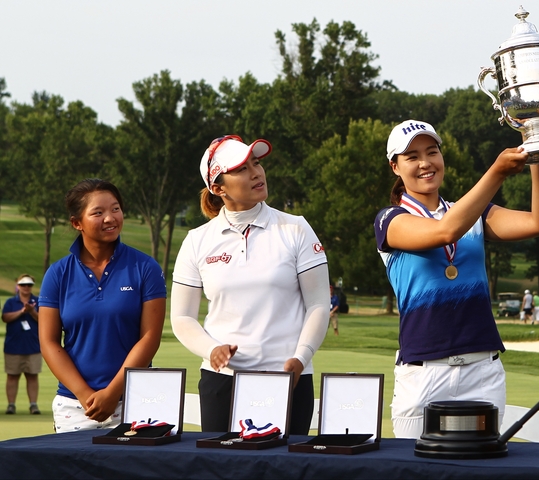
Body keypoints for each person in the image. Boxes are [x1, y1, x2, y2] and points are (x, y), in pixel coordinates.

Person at [374, 118, 539, 439]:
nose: (425, 163)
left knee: (481, 463)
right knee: (412, 464)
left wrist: (536, 155)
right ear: (395, 167)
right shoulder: (390, 219)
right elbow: (445, 231)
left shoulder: (473, 213)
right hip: (423, 373)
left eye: (432, 152)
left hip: (482, 369)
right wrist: (497, 172)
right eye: (412, 156)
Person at [170, 135, 330, 435]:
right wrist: (211, 349)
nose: (256, 173)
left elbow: (319, 304)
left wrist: (301, 358)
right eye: (242, 169)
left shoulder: (296, 228)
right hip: (222, 381)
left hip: (290, 376)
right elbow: (181, 317)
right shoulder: (197, 240)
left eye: (256, 163)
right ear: (218, 188)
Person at [38, 179, 167, 433]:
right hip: (75, 405)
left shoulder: (145, 267)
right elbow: (49, 342)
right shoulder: (58, 274)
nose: (110, 218)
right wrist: (86, 395)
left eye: (115, 209)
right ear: (77, 223)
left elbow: (150, 337)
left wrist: (112, 393)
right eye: (98, 212)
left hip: (136, 400)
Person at [2, 274, 41, 415]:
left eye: (29, 285)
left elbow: (43, 319)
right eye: (23, 285)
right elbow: (5, 317)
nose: (26, 287)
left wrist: (31, 311)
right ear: (18, 286)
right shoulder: (11, 302)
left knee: (32, 376)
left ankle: (33, 405)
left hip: (33, 345)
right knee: (12, 376)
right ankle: (11, 405)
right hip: (13, 346)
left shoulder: (38, 301)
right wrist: (22, 311)